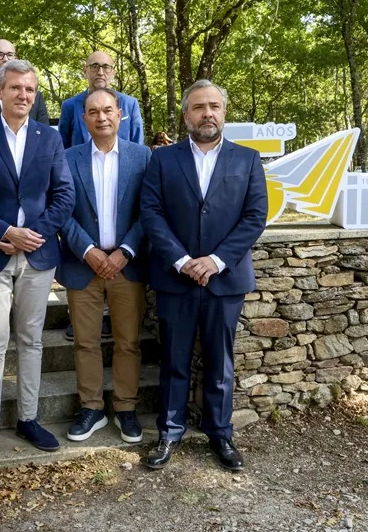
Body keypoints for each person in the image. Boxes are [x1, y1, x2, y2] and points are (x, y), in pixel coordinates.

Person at [140, 80, 267, 472]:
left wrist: (215, 260)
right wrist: (181, 260)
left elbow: (254, 217)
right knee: (174, 359)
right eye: (198, 107)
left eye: (214, 106)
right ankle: (170, 431)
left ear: (224, 112)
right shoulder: (162, 160)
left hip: (225, 280)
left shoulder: (247, 160)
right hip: (175, 278)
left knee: (219, 361)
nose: (207, 113)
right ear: (186, 116)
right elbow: (152, 213)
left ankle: (220, 432)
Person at [0, 60, 75, 459]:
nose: (24, 95)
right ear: (0, 92)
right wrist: (4, 232)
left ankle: (28, 417)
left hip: (39, 255)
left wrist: (31, 234)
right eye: (16, 88)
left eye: (30, 89)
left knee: (31, 340)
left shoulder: (49, 138)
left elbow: (64, 195)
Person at [57, 88, 151, 444]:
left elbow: (150, 212)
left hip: (127, 264)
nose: (101, 117)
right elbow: (60, 211)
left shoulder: (142, 157)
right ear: (84, 119)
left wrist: (125, 250)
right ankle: (92, 408)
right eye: (93, 112)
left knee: (128, 342)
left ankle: (126, 408)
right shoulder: (67, 157)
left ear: (120, 114)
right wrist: (89, 252)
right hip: (84, 265)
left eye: (108, 110)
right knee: (86, 342)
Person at [58, 51, 144, 149]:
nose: (100, 72)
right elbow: (62, 148)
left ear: (113, 72)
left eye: (106, 67)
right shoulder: (69, 106)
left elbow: (138, 146)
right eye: (94, 66)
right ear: (85, 71)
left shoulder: (130, 104)